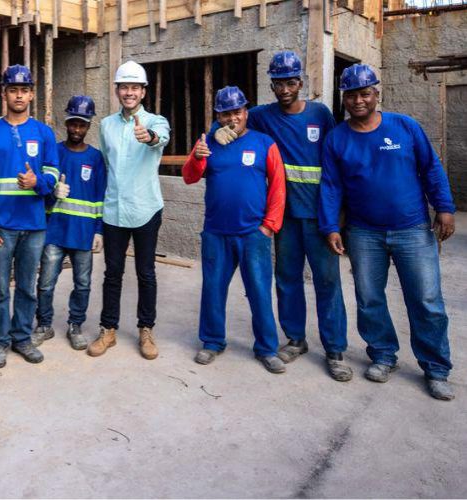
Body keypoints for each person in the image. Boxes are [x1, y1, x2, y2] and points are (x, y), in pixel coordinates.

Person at [319, 64, 457, 401]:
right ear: (344, 98)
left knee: (426, 299)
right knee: (369, 298)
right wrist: (330, 226)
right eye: (351, 94)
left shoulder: (404, 127)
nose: (358, 100)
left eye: (365, 93)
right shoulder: (337, 138)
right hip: (364, 233)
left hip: (412, 229)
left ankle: (436, 368)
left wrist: (445, 207)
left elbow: (431, 168)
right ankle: (382, 354)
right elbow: (331, 186)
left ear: (376, 95)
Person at [213, 51, 349, 381]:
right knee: (287, 280)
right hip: (285, 218)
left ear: (301, 82)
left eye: (290, 82)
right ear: (271, 85)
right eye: (278, 83)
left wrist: (339, 215)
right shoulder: (262, 115)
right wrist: (215, 133)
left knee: (327, 281)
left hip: (318, 217)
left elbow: (334, 165)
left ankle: (335, 349)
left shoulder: (321, 114)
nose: (285, 89)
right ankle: (296, 339)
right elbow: (233, 117)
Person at [182, 86, 288, 374]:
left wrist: (269, 227)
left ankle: (267, 348)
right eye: (226, 113)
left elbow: (278, 186)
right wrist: (197, 155)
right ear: (219, 115)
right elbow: (189, 177)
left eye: (237, 112)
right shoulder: (208, 143)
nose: (232, 118)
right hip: (216, 232)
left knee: (259, 291)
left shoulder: (265, 143)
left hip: (253, 233)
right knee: (213, 289)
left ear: (246, 112)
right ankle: (213, 341)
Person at [0, 65, 59, 369]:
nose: (18, 95)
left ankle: (21, 338)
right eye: (13, 90)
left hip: (33, 225)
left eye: (24, 90)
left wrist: (39, 184)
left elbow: (53, 176)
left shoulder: (44, 133)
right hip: (0, 227)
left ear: (32, 94)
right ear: (4, 93)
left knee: (25, 286)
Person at [91, 60, 170, 360]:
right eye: (124, 87)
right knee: (112, 272)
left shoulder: (156, 121)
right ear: (117, 90)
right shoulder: (106, 126)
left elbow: (160, 138)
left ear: (143, 91)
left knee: (146, 272)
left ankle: (145, 330)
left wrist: (147, 137)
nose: (129, 92)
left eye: (135, 87)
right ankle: (108, 329)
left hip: (146, 208)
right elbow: (109, 165)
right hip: (114, 210)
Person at [32, 96, 107, 350]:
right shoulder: (54, 151)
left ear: (88, 126)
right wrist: (53, 193)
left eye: (82, 125)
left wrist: (99, 230)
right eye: (73, 124)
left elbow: (100, 197)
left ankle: (76, 324)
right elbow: (39, 189)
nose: (77, 129)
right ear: (67, 122)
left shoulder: (96, 158)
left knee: (83, 283)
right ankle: (44, 324)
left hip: (84, 234)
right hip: (54, 231)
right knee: (45, 282)